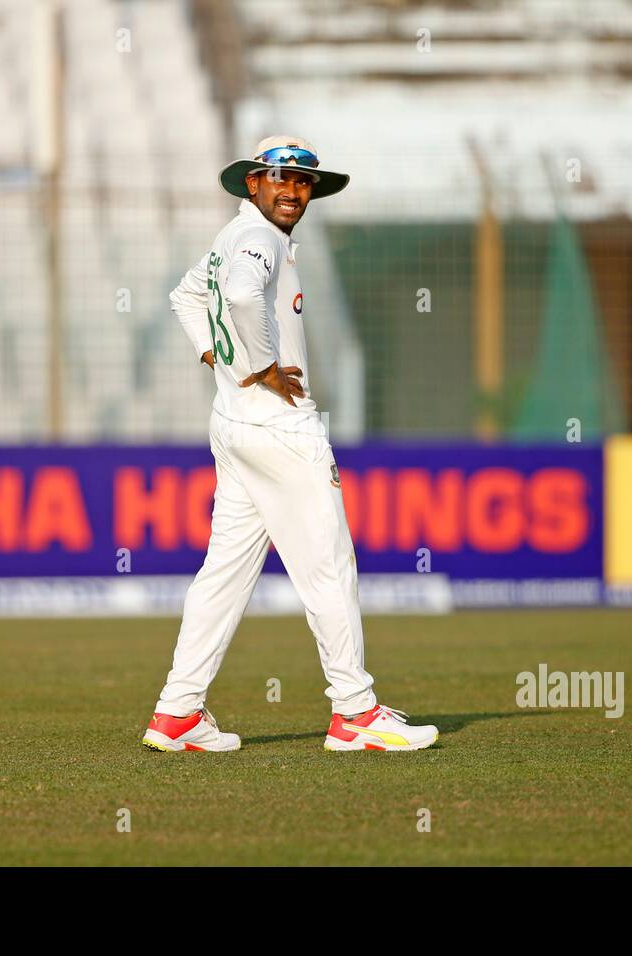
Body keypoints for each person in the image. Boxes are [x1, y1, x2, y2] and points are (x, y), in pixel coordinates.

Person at [140, 136, 438, 753]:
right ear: (253, 182)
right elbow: (245, 297)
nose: (293, 191)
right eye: (280, 179)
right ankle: (355, 712)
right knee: (328, 566)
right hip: (278, 424)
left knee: (224, 573)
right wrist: (260, 366)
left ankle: (177, 713)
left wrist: (216, 357)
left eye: (304, 183)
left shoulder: (235, 236)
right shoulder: (258, 240)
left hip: (235, 423)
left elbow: (187, 296)